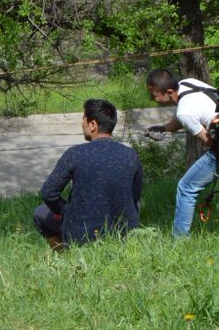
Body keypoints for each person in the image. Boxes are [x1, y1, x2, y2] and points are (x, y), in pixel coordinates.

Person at [32, 98, 143, 249]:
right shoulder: (131, 155)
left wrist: (65, 210)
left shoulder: (75, 154)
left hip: (81, 234)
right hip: (122, 234)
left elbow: (48, 193)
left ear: (93, 125)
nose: (82, 124)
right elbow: (135, 196)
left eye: (83, 120)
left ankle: (65, 254)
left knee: (39, 213)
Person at [145, 69, 219, 236]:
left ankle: (180, 239)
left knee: (186, 187)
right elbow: (185, 116)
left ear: (169, 92)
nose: (152, 99)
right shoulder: (188, 83)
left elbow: (209, 142)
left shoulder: (184, 112)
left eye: (154, 95)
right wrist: (164, 128)